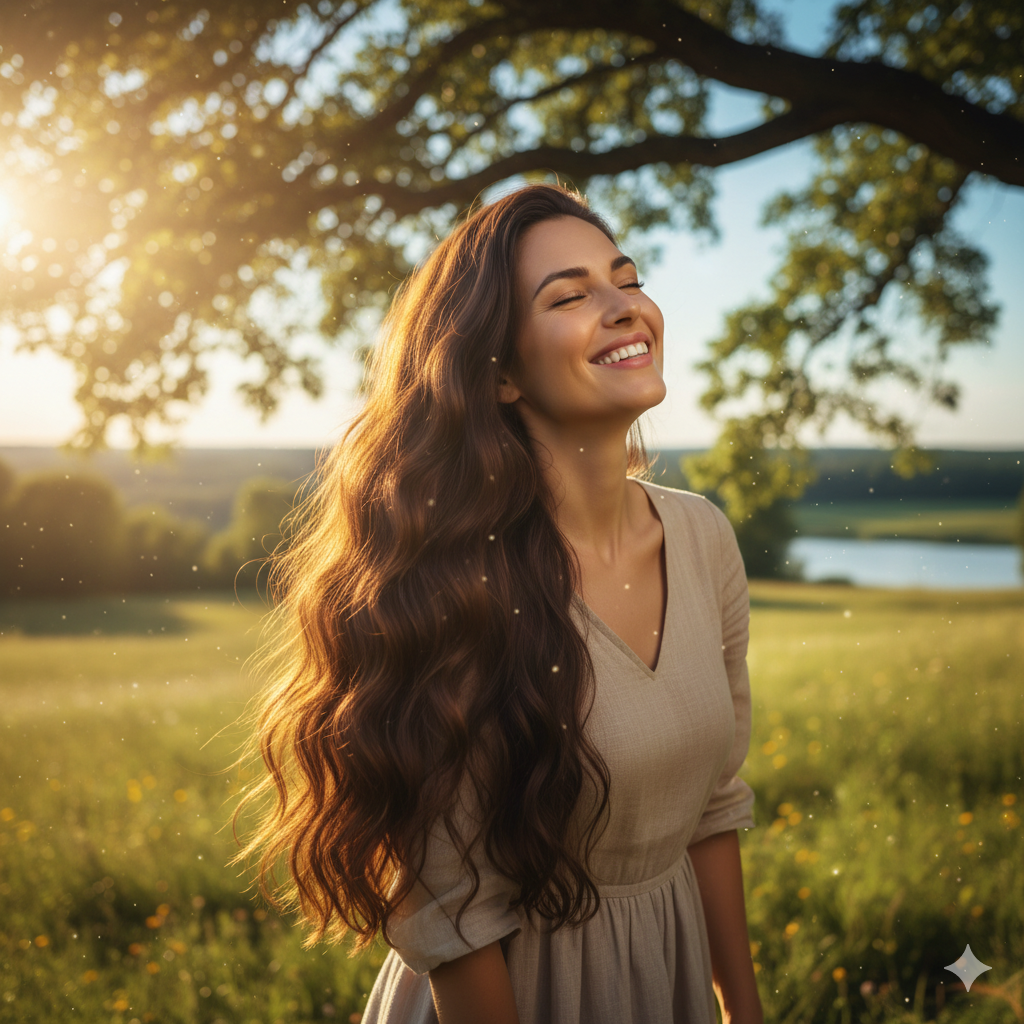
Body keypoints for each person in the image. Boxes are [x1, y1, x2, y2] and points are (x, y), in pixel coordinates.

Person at [235, 183, 763, 1024]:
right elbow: (453, 917)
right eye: (569, 297)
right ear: (502, 374)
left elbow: (713, 809)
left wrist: (743, 1011)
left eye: (627, 279)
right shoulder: (452, 586)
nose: (624, 307)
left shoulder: (703, 538)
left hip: (669, 979)